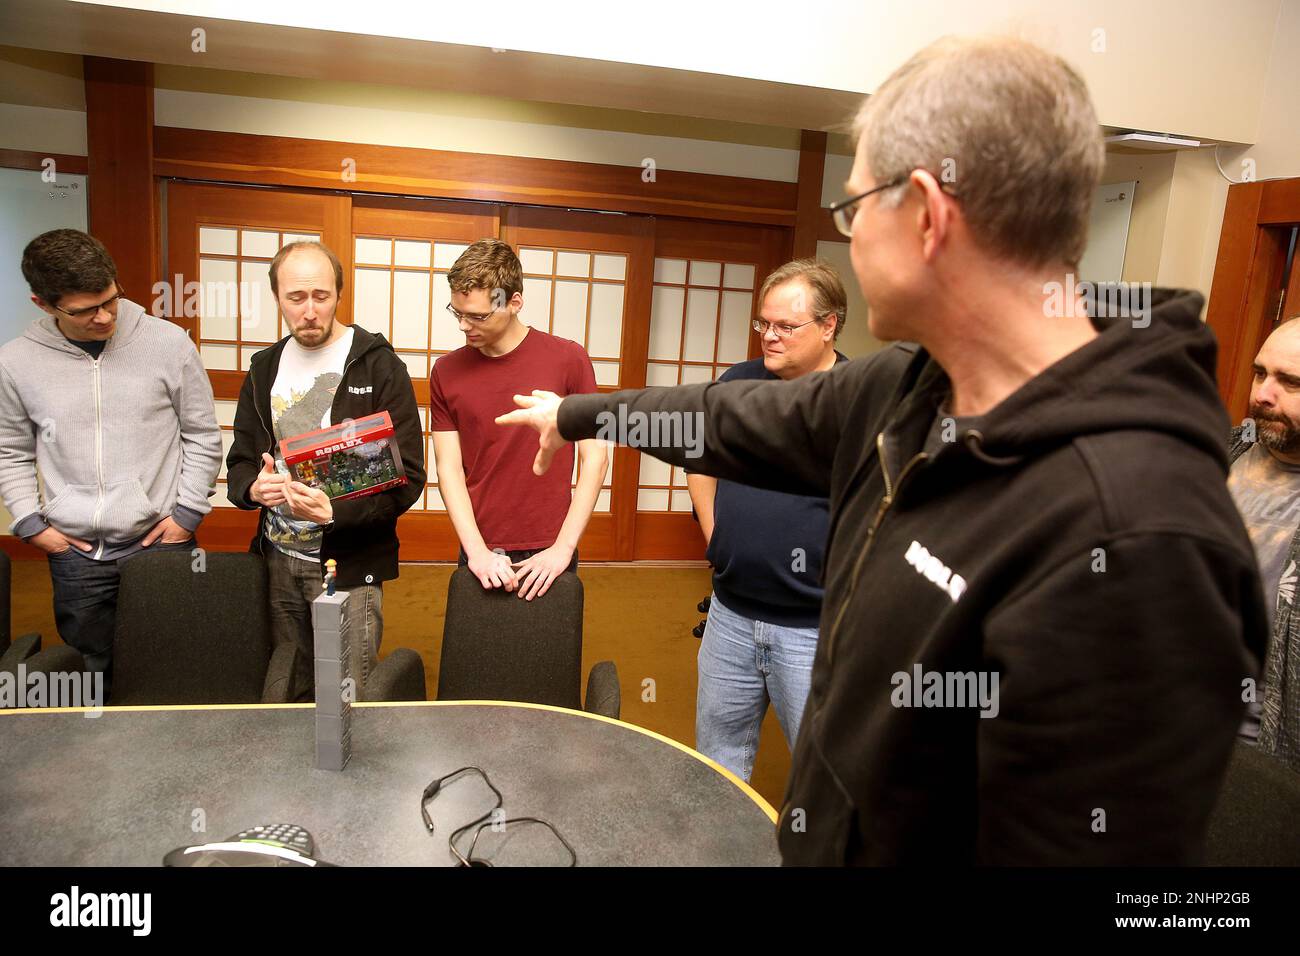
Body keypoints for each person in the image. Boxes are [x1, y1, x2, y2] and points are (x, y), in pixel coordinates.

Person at [497, 36, 1267, 864]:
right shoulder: (911, 382)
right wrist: (581, 414)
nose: (851, 239)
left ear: (928, 215)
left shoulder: (1138, 531)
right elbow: (734, 417)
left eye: (855, 208)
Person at [0, 229, 222, 694]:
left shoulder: (168, 343)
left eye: (111, 301)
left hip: (161, 538)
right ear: (44, 304)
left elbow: (201, 434)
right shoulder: (16, 362)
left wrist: (186, 515)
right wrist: (31, 524)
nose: (104, 317)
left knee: (171, 659)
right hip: (74, 549)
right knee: (90, 668)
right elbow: (11, 450)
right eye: (84, 311)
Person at [225, 241, 424, 701]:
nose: (310, 311)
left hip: (349, 560)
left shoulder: (379, 365)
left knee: (348, 690)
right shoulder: (263, 368)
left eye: (322, 296)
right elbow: (239, 461)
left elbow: (409, 477)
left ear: (339, 294)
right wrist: (252, 488)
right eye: (296, 298)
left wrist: (334, 512)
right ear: (277, 297)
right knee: (287, 681)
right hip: (277, 556)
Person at [685, 258, 847, 780]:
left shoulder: (858, 398)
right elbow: (699, 461)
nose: (769, 337)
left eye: (786, 326)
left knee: (825, 774)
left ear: (829, 325)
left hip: (814, 628)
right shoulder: (738, 381)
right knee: (717, 763)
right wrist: (716, 536)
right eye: (763, 324)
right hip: (730, 617)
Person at [430, 239, 606, 600]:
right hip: (479, 546)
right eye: (457, 312)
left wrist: (563, 548)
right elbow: (448, 468)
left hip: (550, 546)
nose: (464, 326)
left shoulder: (568, 360)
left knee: (546, 653)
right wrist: (476, 551)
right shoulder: (446, 372)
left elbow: (596, 458)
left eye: (478, 316)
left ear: (513, 302)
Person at [1227, 315, 1300, 769]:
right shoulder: (1218, 452)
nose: (1261, 395)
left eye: (1289, 381)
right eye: (1260, 373)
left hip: (1257, 759)